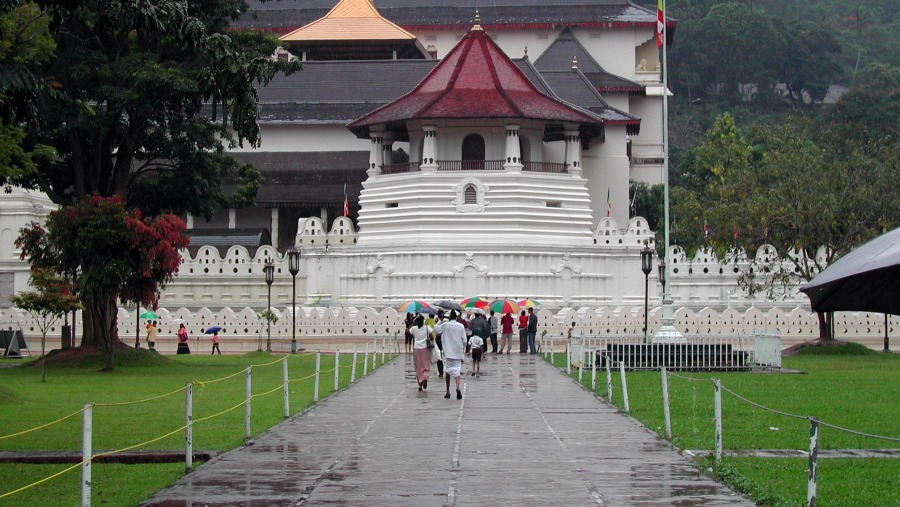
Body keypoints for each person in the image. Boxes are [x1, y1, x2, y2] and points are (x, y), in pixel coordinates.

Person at [434, 310, 467, 400]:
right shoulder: (461, 326)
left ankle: (448, 391)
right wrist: (462, 350)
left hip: (448, 352)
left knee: (447, 371)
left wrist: (441, 319)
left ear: (448, 317)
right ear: (456, 317)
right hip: (457, 352)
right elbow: (464, 341)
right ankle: (457, 387)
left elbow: (435, 329)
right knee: (457, 371)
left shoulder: (445, 325)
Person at [409, 315, 433, 391]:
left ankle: (420, 384)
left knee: (418, 366)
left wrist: (412, 323)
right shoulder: (427, 328)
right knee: (425, 364)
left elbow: (407, 331)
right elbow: (432, 337)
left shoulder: (413, 329)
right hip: (425, 348)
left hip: (416, 348)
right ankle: (425, 377)